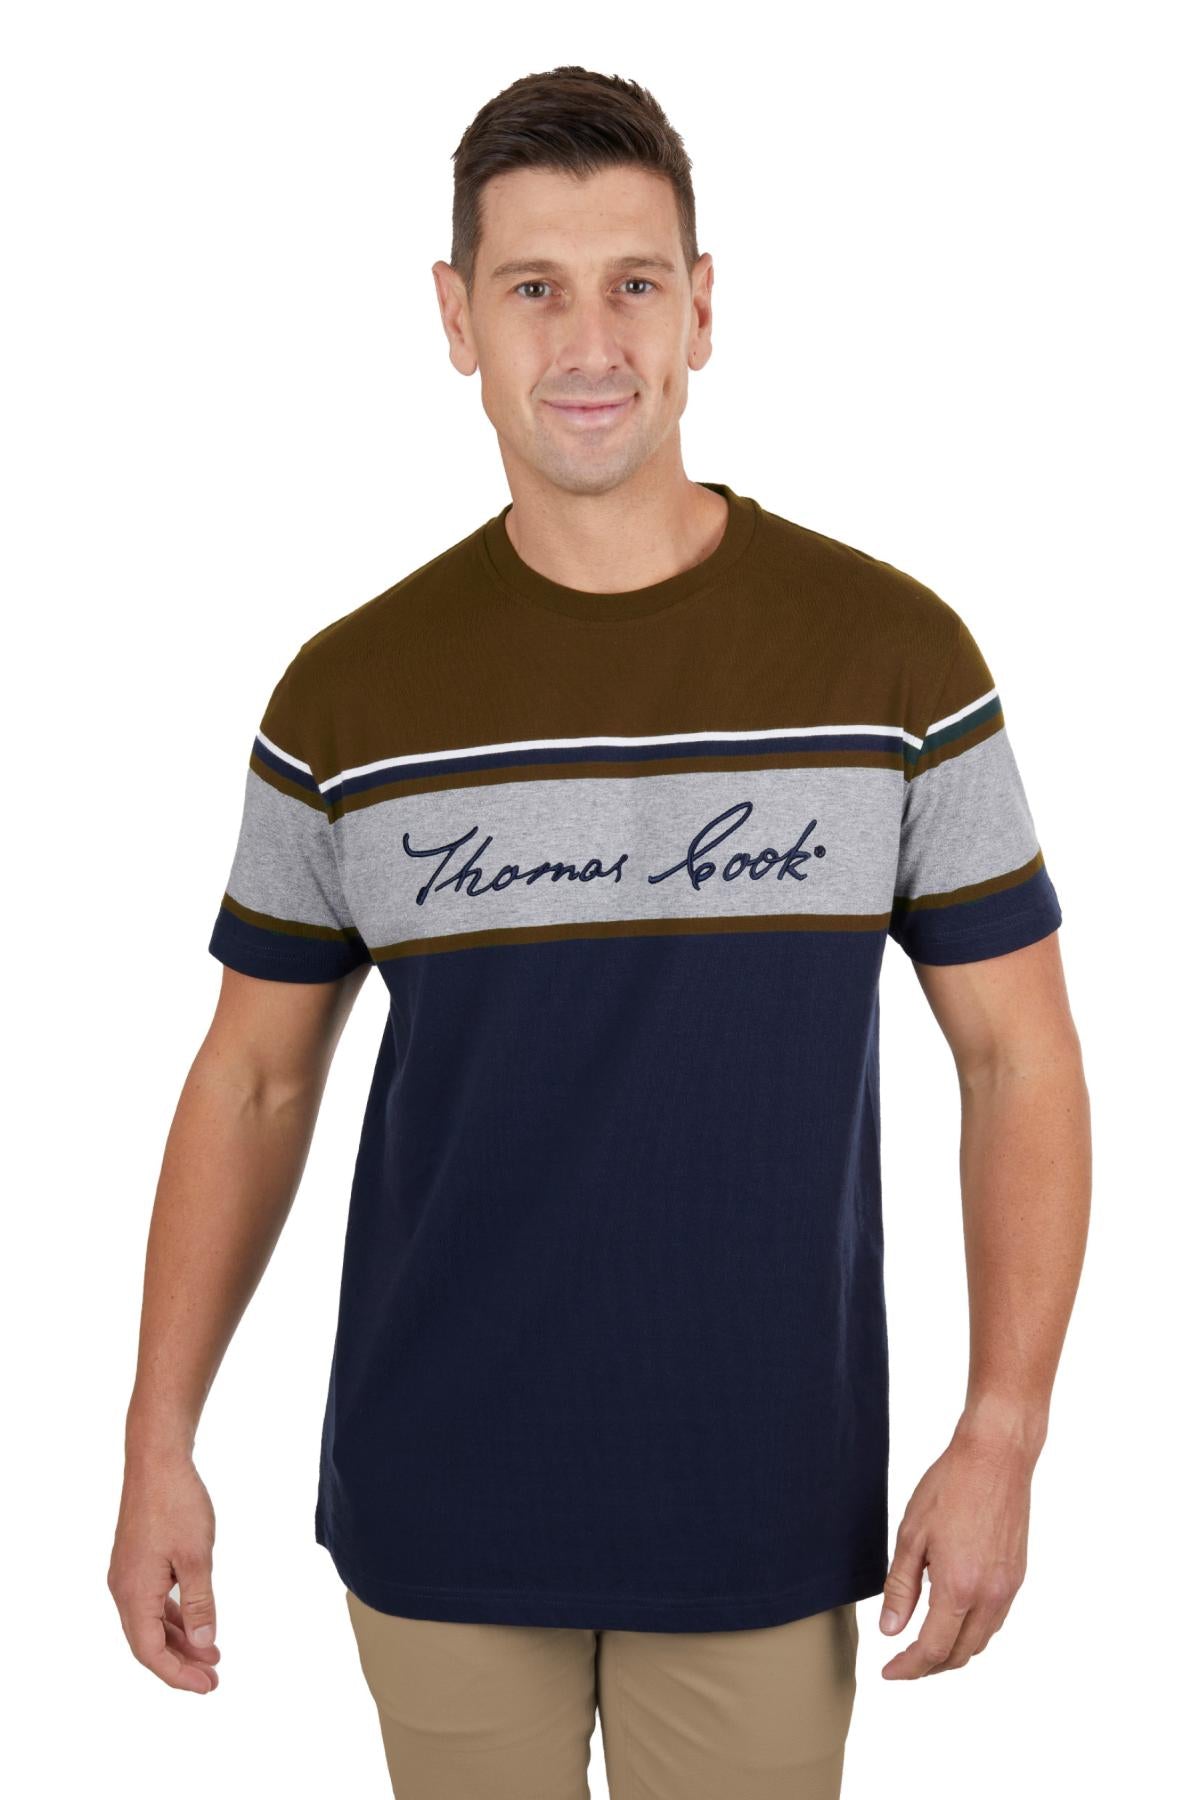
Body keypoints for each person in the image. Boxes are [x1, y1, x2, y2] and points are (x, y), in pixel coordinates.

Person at [108, 64, 1091, 1800]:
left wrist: (1002, 1431)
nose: (588, 340)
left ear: (703, 307)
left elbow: (1020, 1056)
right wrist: (155, 1438)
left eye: (634, 282)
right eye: (533, 288)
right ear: (456, 318)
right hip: (437, 1502)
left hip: (763, 1506)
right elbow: (254, 1080)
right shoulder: (349, 694)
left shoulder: (895, 663)